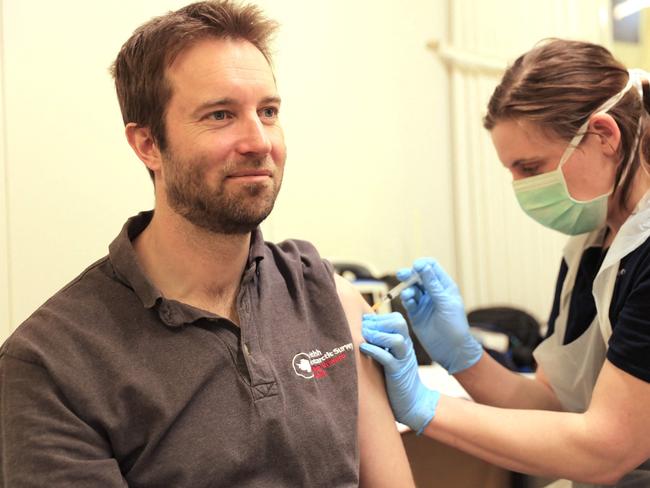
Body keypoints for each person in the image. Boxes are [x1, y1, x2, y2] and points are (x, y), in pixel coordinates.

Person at [0, 2, 414, 486]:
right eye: (221, 115)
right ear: (148, 144)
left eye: (268, 111)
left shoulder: (327, 296)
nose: (259, 141)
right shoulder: (50, 367)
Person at [361, 39, 650, 487]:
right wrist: (463, 355)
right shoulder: (593, 245)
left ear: (604, 136)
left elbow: (607, 447)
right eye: (511, 171)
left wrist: (426, 405)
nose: (519, 188)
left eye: (530, 168)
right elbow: (554, 408)